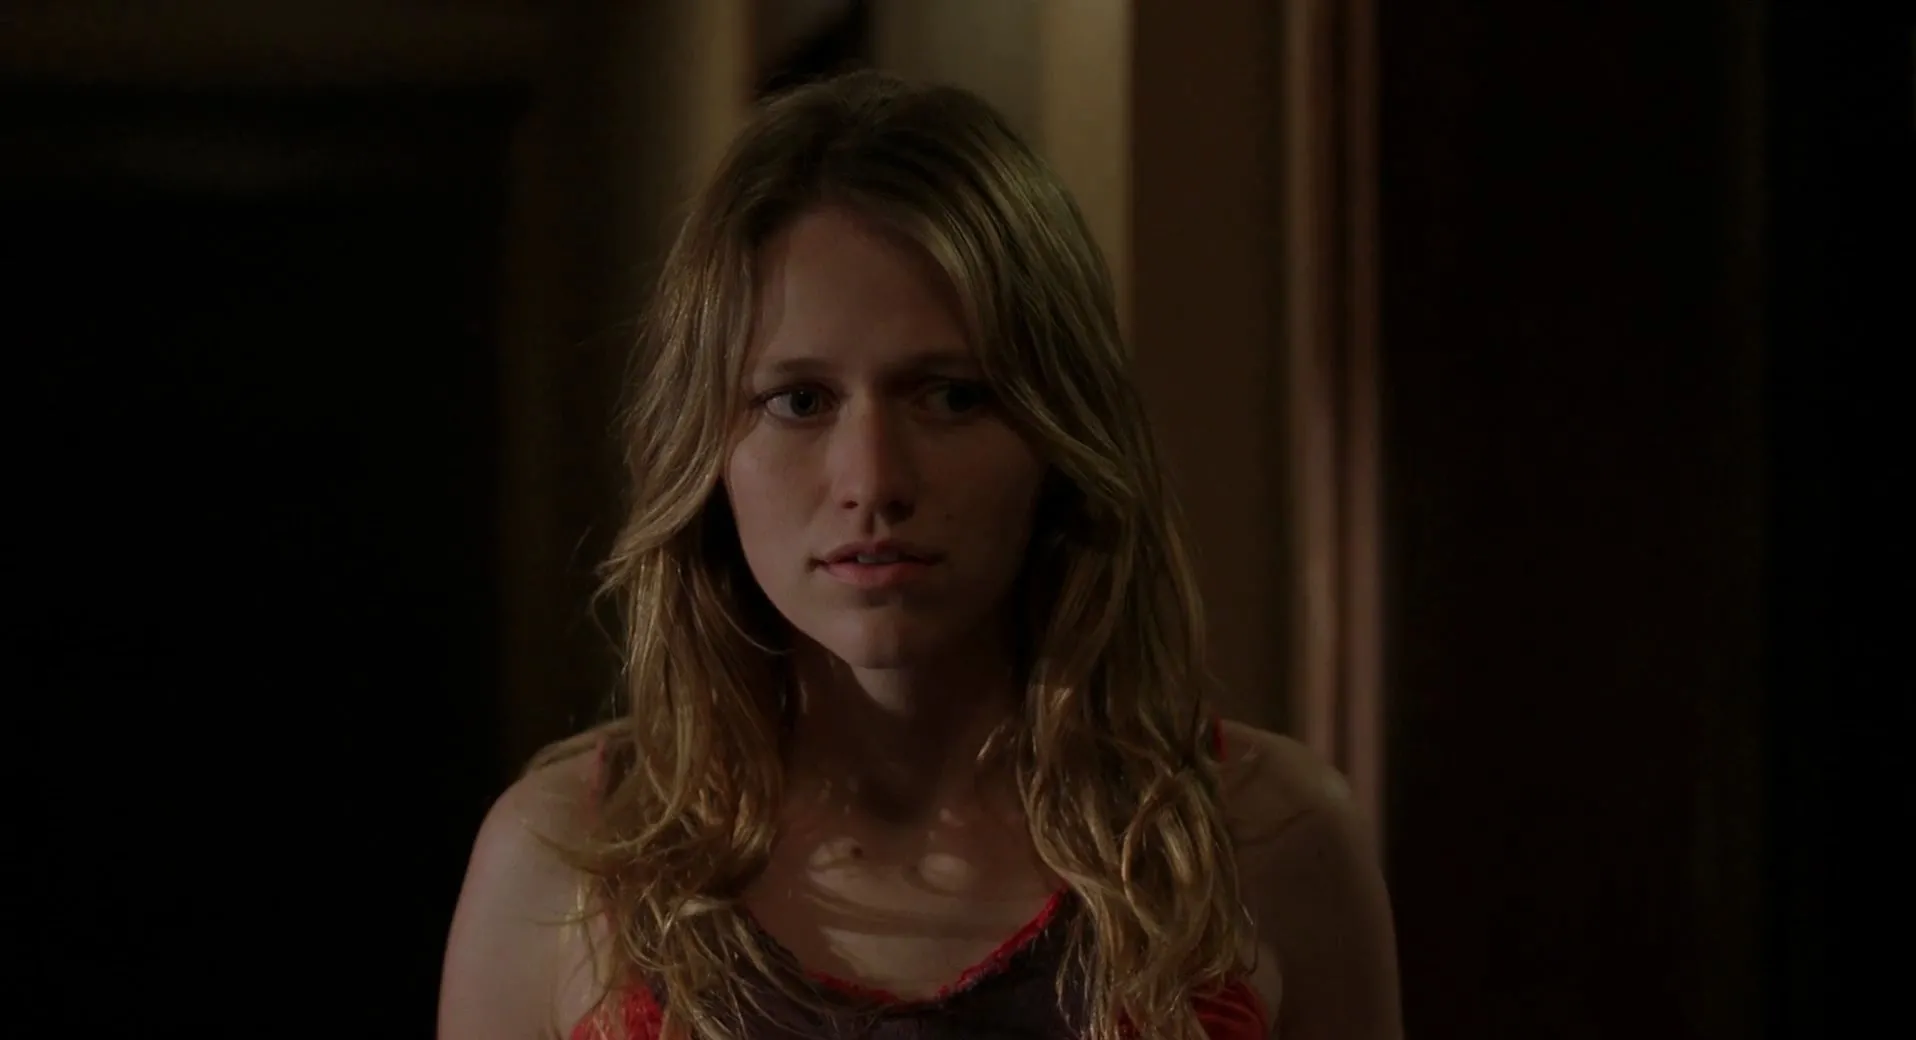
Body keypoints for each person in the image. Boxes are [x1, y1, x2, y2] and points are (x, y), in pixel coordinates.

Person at [438, 70, 1400, 1040]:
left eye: (949, 395)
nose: (872, 480)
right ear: (706, 448)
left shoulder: (1266, 839)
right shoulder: (567, 859)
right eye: (798, 401)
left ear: (1056, 432)